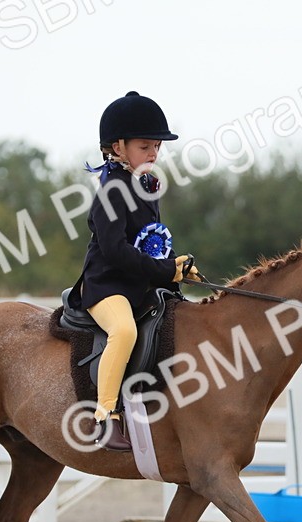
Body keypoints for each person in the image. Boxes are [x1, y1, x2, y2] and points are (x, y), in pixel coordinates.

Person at [67, 91, 202, 451]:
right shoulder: (111, 191)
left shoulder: (146, 185)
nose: (154, 154)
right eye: (145, 147)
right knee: (124, 332)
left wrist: (176, 265)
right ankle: (105, 416)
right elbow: (115, 252)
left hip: (139, 284)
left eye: (157, 147)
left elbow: (151, 238)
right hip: (107, 285)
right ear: (118, 148)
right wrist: (162, 272)